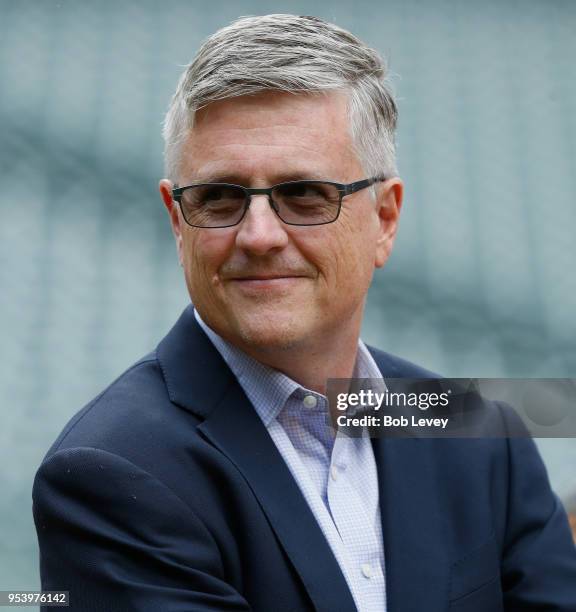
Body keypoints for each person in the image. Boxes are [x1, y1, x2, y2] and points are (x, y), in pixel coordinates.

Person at [32, 14, 576, 612]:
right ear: (175, 218)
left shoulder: (472, 426)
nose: (259, 235)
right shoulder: (111, 473)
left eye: (305, 194)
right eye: (219, 197)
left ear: (385, 220)